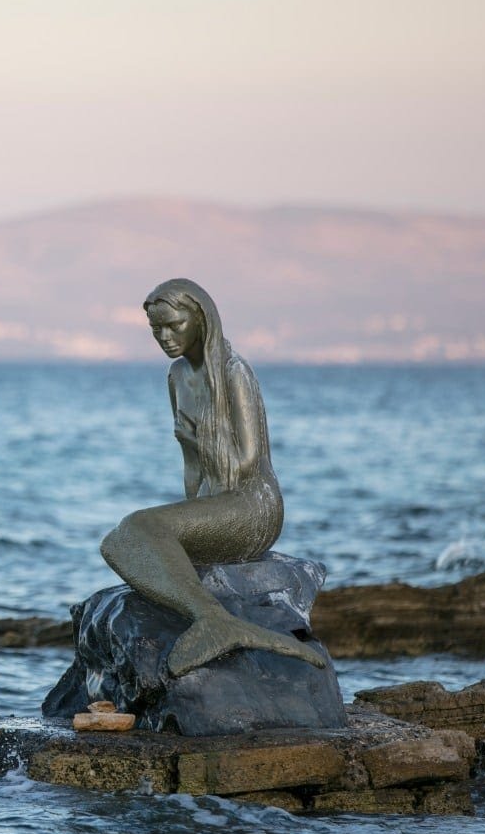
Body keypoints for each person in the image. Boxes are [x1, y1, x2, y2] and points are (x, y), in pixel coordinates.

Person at [99, 278, 325, 676]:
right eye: (156, 330)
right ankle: (213, 619)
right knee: (118, 542)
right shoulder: (176, 377)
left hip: (253, 505)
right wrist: (190, 513)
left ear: (201, 319)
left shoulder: (234, 372)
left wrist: (197, 438)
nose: (165, 338)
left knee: (139, 528)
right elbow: (194, 471)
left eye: (174, 326)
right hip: (215, 501)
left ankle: (212, 620)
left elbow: (248, 461)